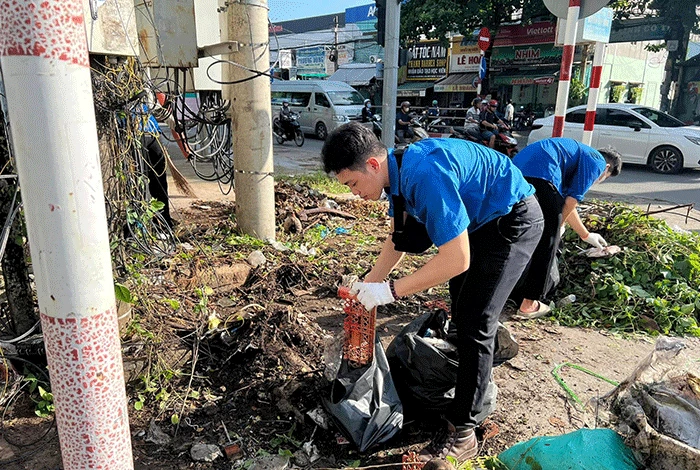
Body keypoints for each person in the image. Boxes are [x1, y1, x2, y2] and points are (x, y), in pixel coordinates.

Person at [321, 122, 544, 464]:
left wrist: (389, 291)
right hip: (478, 223)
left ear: (372, 165)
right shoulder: (396, 174)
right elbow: (398, 239)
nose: (353, 193)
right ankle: (462, 385)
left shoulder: (424, 173)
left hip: (511, 220)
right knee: (463, 313)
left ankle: (464, 431)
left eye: (352, 184)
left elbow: (456, 259)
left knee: (476, 322)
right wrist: (369, 283)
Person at [510, 138, 622, 319]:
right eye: (605, 177)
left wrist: (585, 235)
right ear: (607, 167)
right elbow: (570, 202)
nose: (599, 179)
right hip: (542, 175)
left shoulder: (574, 158)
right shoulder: (597, 161)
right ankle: (528, 305)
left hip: (516, 171)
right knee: (548, 241)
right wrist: (558, 227)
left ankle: (507, 291)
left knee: (521, 233)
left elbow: (566, 204)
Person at [135, 104, 173, 229]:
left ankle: (159, 224)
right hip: (147, 133)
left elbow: (157, 106)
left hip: (145, 133)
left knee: (146, 182)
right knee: (151, 183)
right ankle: (161, 224)